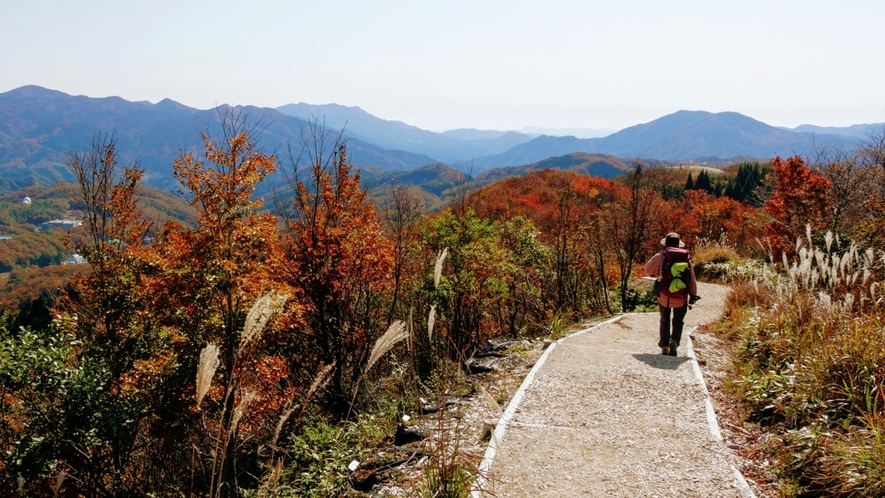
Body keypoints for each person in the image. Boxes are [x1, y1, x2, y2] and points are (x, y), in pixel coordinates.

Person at [644, 232, 699, 356]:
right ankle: (674, 341)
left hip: (664, 296)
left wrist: (659, 271)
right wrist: (693, 295)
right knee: (678, 321)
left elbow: (646, 270)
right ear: (678, 245)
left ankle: (664, 345)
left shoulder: (660, 257)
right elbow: (691, 279)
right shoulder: (686, 259)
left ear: (666, 244)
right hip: (681, 297)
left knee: (665, 320)